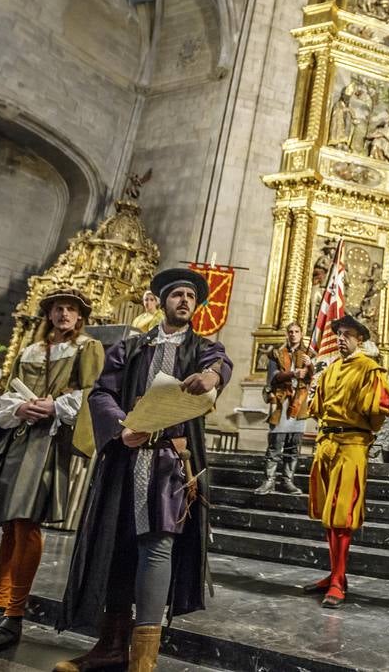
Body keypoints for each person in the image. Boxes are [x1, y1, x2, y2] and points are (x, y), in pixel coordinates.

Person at [54, 268, 231, 672]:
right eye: (177, 295)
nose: (184, 300)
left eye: (191, 295)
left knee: (157, 544)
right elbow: (102, 392)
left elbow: (219, 363)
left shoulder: (204, 347)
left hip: (169, 464)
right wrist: (122, 427)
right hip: (125, 459)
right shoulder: (132, 346)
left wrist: (211, 377)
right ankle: (112, 645)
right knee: (116, 544)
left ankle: (144, 659)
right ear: (163, 301)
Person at [0, 288, 105, 654]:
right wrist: (18, 409)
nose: (64, 314)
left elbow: (92, 392)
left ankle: (14, 616)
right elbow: (8, 393)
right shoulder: (30, 351)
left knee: (26, 523)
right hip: (17, 440)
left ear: (80, 317)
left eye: (71, 310)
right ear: (49, 315)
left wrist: (55, 406)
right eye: (57, 309)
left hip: (47, 443)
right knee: (9, 525)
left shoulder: (87, 348)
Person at [303, 314, 389, 608]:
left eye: (347, 334)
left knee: (343, 515)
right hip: (327, 444)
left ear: (359, 339)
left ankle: (337, 581)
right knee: (329, 515)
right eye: (338, 334)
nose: (341, 338)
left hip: (352, 444)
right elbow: (317, 408)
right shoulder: (330, 369)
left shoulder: (370, 369)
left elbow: (379, 411)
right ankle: (335, 575)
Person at [254, 322, 312, 496]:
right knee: (275, 446)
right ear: (287, 334)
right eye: (291, 332)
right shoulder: (276, 354)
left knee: (293, 447)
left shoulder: (308, 355)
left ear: (301, 334)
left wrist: (310, 366)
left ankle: (288, 481)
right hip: (282, 402)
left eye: (297, 332)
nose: (293, 334)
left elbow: (310, 380)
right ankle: (269, 481)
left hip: (299, 402)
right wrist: (293, 374)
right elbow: (273, 378)